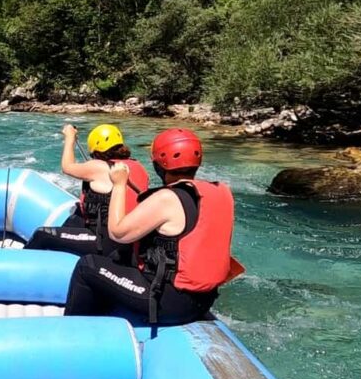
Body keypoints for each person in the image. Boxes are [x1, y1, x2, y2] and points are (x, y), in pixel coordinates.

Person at [64, 128, 235, 325]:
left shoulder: (166, 198)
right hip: (203, 301)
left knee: (88, 266)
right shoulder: (220, 192)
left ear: (158, 165)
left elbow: (117, 233)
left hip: (168, 303)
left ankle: (72, 332)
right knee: (119, 258)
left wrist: (119, 184)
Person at [26, 124, 149, 262]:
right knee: (76, 216)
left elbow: (67, 167)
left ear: (96, 150)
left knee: (42, 234)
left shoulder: (98, 167)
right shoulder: (138, 167)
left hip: (107, 242)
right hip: (131, 241)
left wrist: (70, 137)